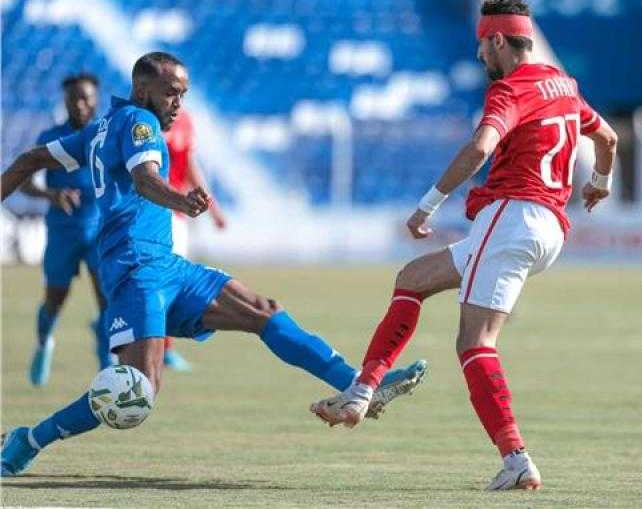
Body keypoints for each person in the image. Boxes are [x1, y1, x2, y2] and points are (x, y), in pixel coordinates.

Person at [0, 51, 426, 477]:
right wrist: (180, 199)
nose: (177, 104)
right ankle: (31, 438)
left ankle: (358, 385)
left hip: (165, 265)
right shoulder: (139, 123)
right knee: (136, 391)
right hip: (136, 272)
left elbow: (28, 160)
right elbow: (145, 180)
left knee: (263, 311)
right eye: (170, 93)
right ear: (142, 88)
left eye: (183, 94)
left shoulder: (98, 128)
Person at [310, 0, 617, 491]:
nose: (480, 57)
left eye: (482, 46)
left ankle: (516, 459)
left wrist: (426, 205)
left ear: (497, 39)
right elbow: (609, 140)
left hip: (514, 216)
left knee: (475, 343)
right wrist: (600, 181)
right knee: (412, 279)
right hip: (546, 228)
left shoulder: (510, 90)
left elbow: (480, 147)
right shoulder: (564, 85)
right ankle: (363, 390)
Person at [18, 73, 112, 384]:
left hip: (100, 231)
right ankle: (44, 344)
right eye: (74, 98)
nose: (80, 104)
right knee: (55, 298)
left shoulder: (107, 134)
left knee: (107, 299)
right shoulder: (51, 137)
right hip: (62, 231)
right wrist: (51, 194)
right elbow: (26, 182)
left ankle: (106, 368)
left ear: (96, 99)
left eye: (86, 98)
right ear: (66, 101)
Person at [160, 109, 227, 371]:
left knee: (171, 285)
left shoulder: (185, 119)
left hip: (176, 215)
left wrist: (214, 209)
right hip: (148, 213)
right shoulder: (144, 118)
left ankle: (165, 348)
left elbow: (189, 165)